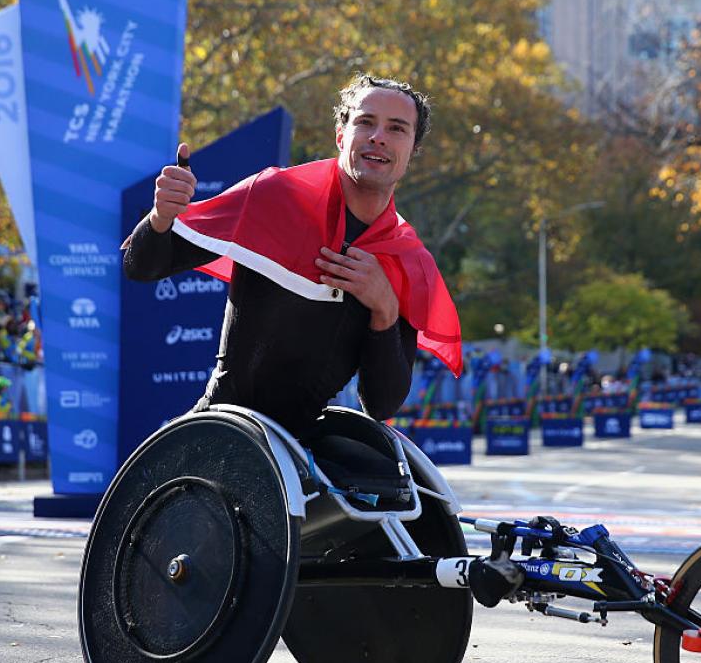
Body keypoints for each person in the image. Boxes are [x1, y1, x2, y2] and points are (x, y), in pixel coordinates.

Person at [122, 73, 461, 437]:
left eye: (397, 128)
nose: (378, 136)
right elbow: (142, 267)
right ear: (341, 136)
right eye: (365, 122)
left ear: (412, 152)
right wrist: (161, 216)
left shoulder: (408, 260)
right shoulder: (274, 195)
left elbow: (381, 405)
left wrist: (384, 308)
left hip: (306, 448)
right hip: (224, 426)